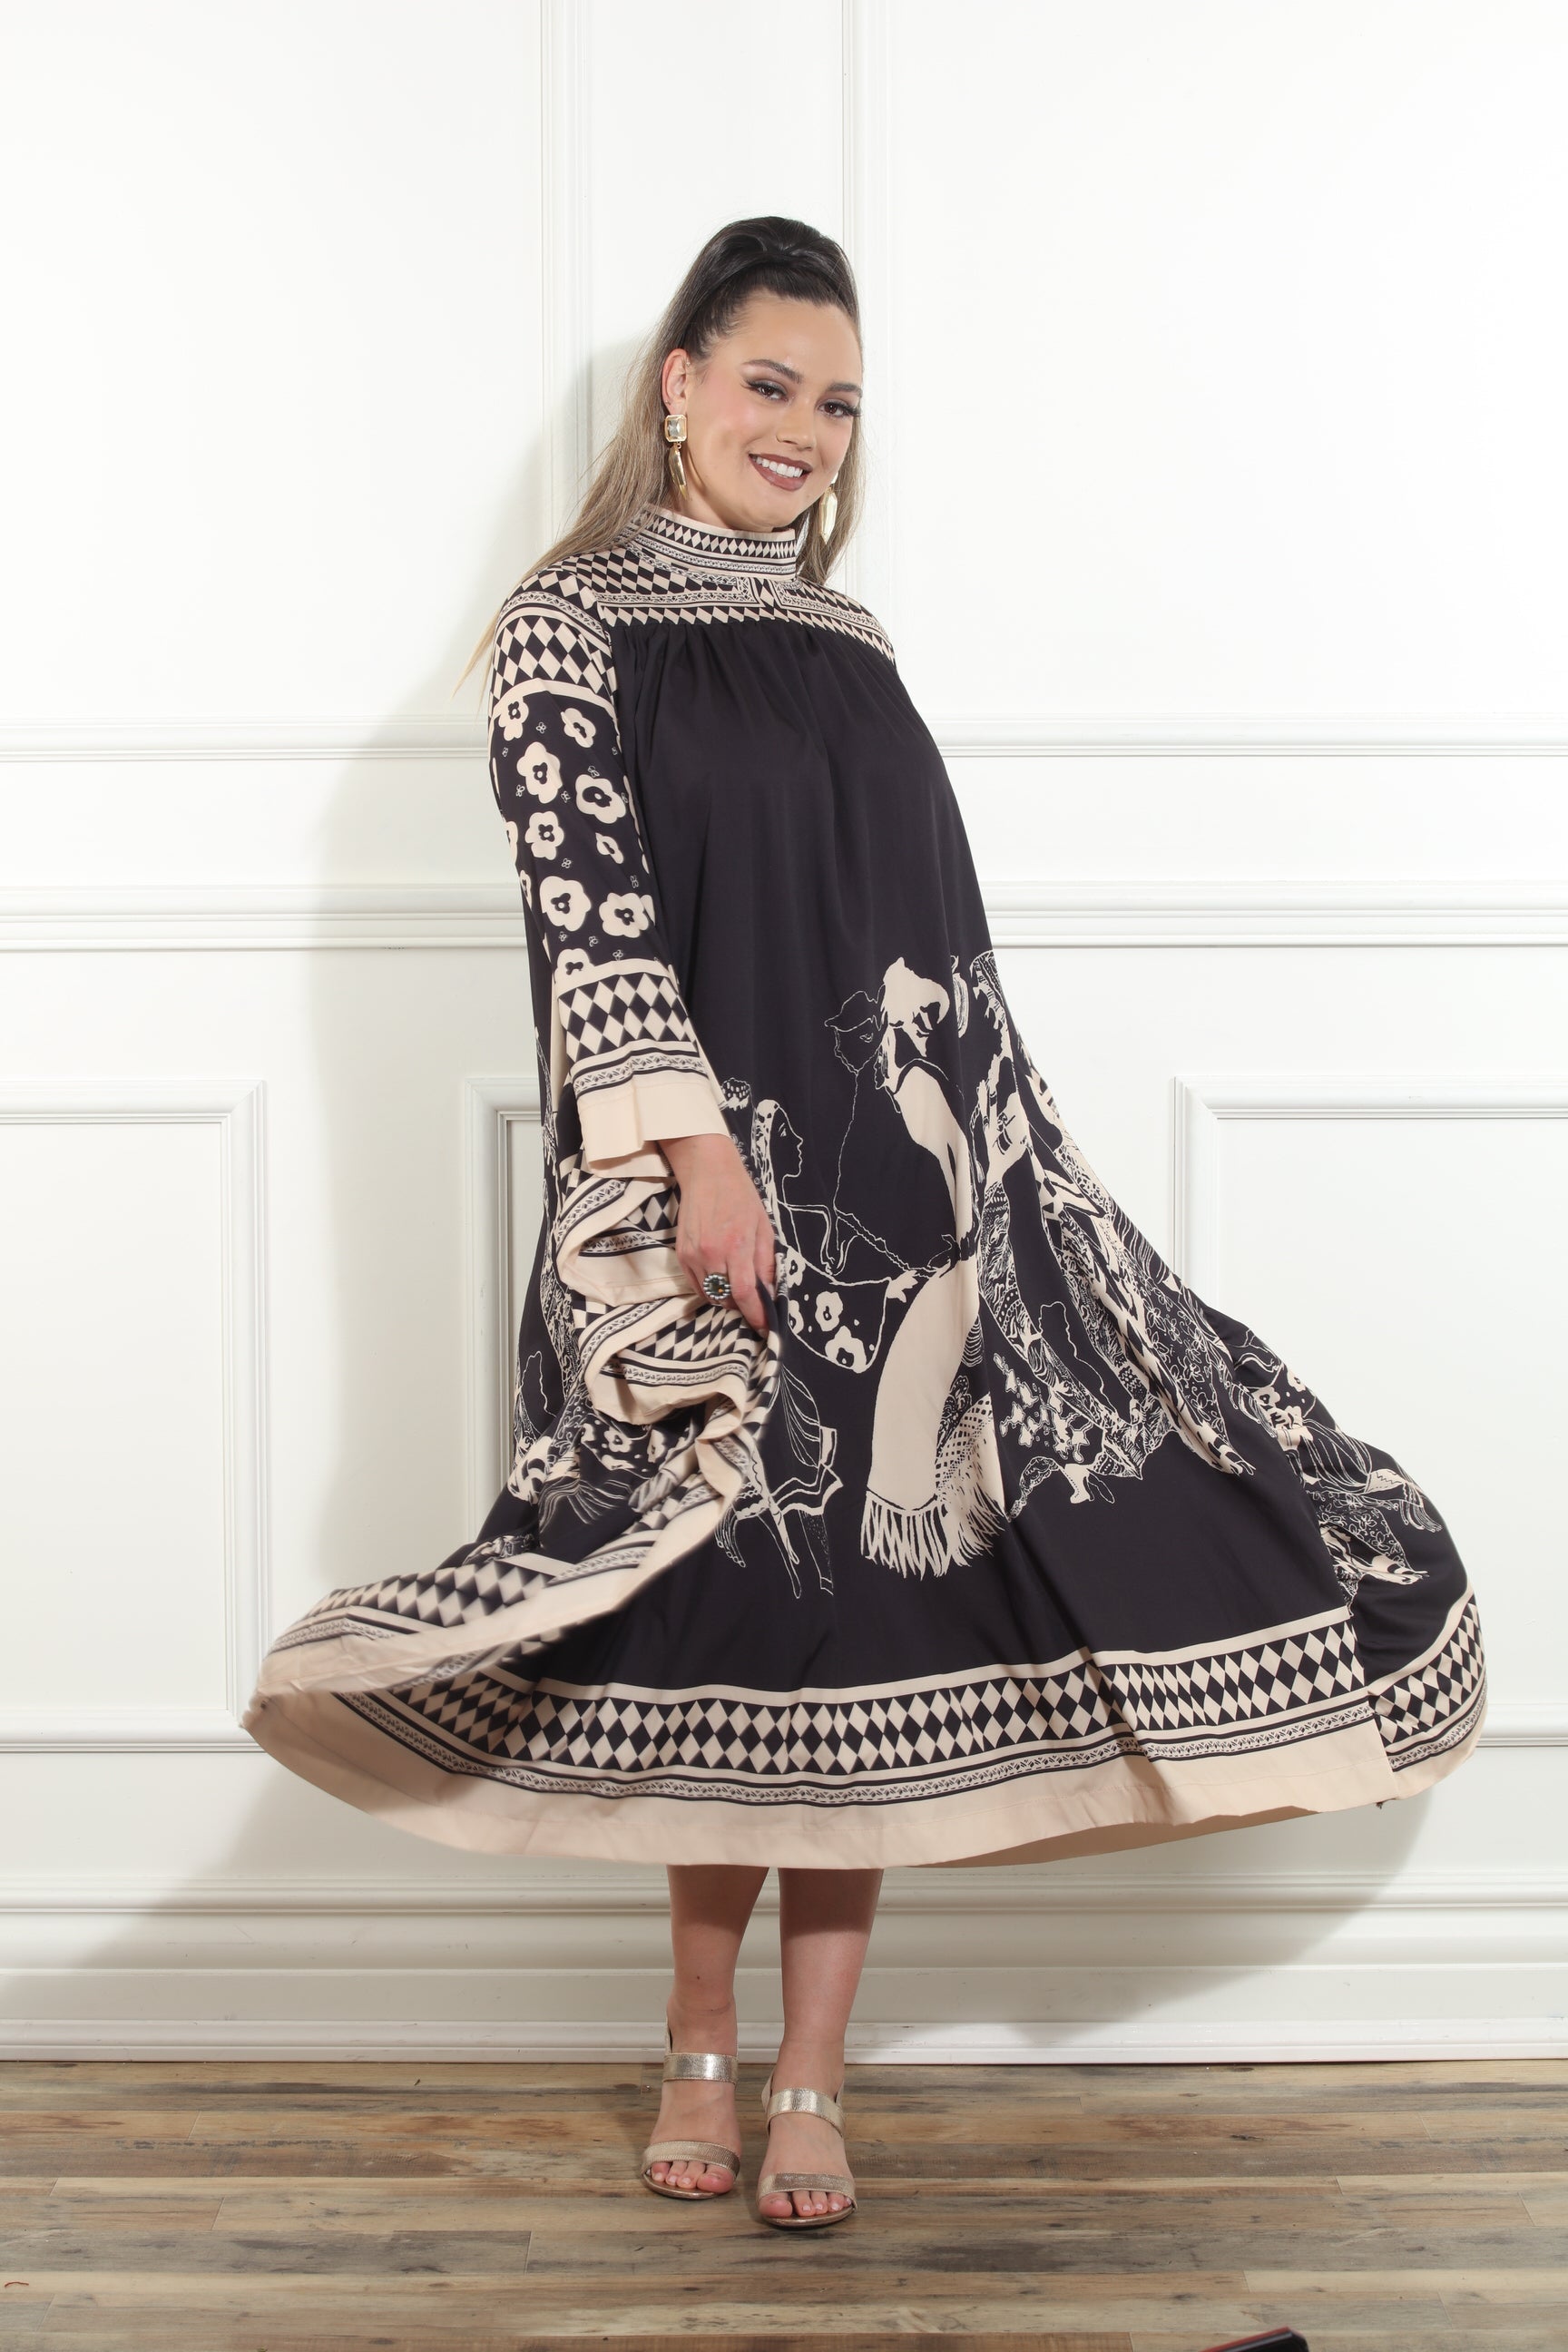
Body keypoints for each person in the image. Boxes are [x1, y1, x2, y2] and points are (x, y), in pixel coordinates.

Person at [243, 216, 1488, 2231]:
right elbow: (589, 923)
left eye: (835, 402)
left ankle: (813, 2072)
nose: (804, 430)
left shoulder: (856, 640)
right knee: (722, 1605)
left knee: (875, 1629)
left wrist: (1015, 1176)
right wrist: (697, 1160)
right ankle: (699, 2044)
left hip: (908, 1202)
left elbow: (938, 940)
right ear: (677, 383)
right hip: (694, 1192)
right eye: (769, 384)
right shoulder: (566, 623)